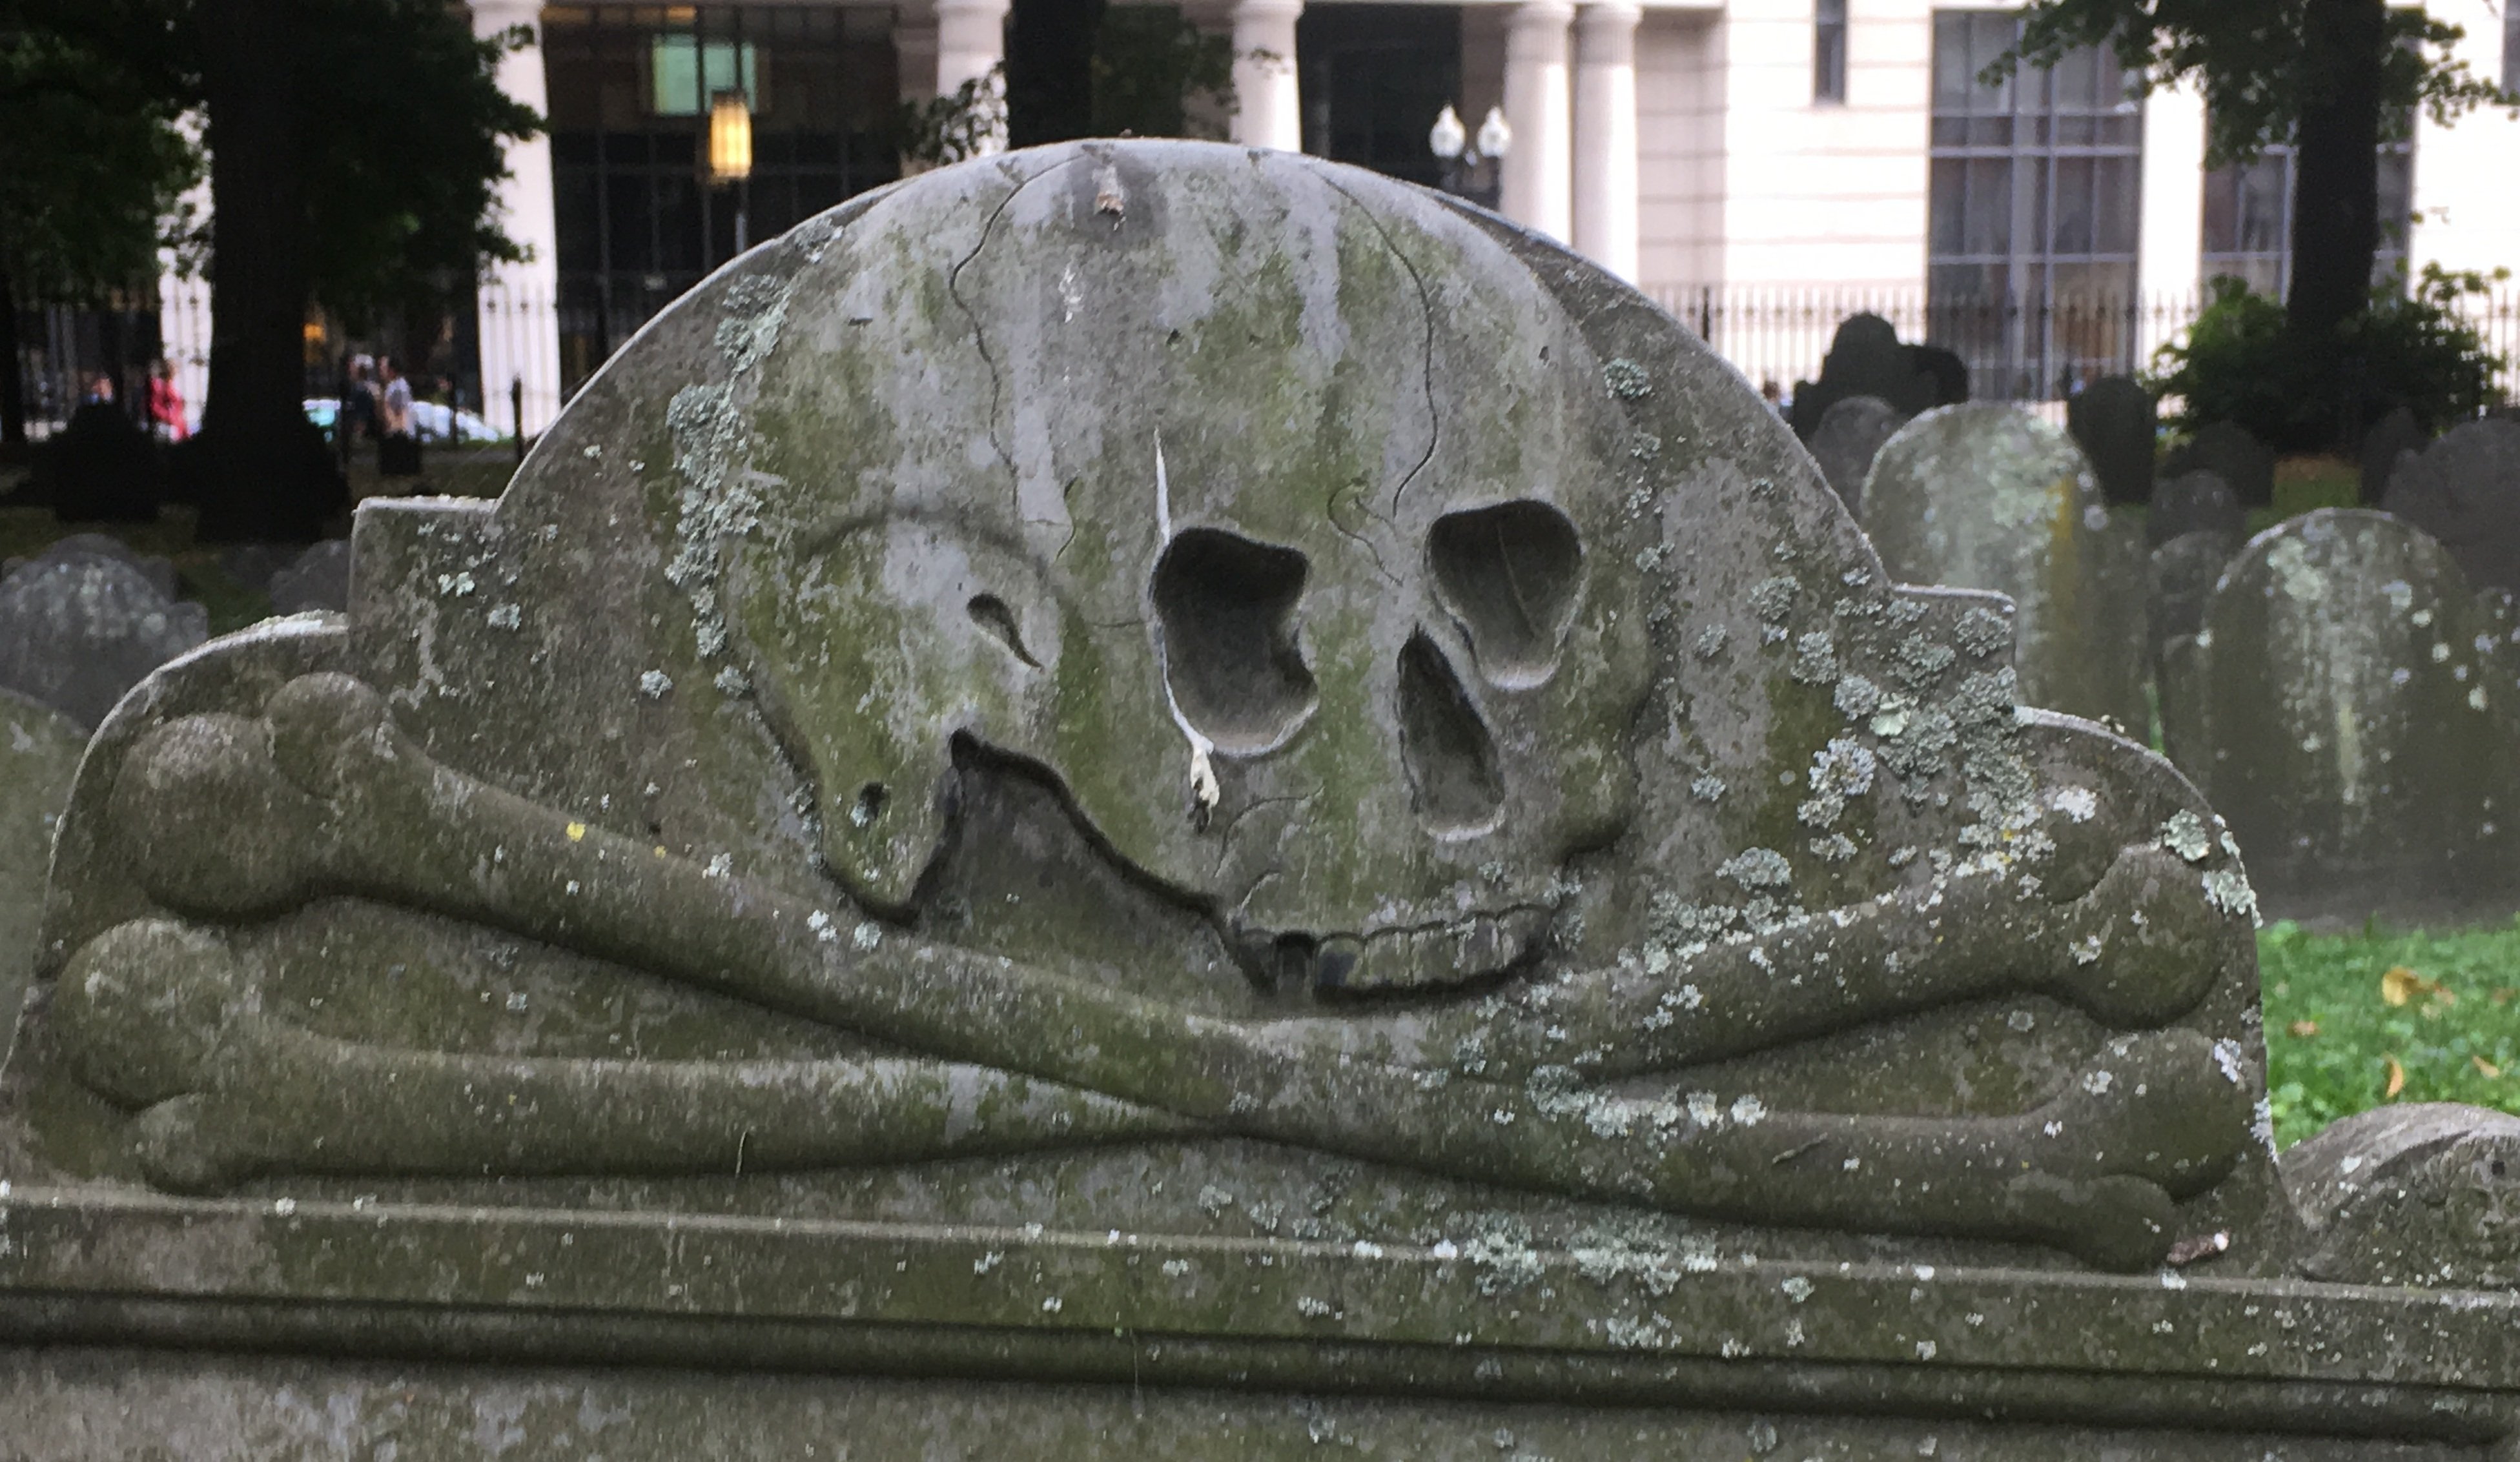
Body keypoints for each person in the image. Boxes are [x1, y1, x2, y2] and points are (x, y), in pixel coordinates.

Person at [377, 355, 422, 477]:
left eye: (383, 368)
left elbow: (401, 410)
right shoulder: (393, 386)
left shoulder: (398, 387)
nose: (381, 371)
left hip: (401, 432)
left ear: (391, 370)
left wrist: (398, 428)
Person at [146, 359, 189, 443]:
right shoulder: (158, 385)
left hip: (177, 426)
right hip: (166, 426)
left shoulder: (173, 385)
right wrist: (169, 417)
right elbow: (155, 406)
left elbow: (178, 409)